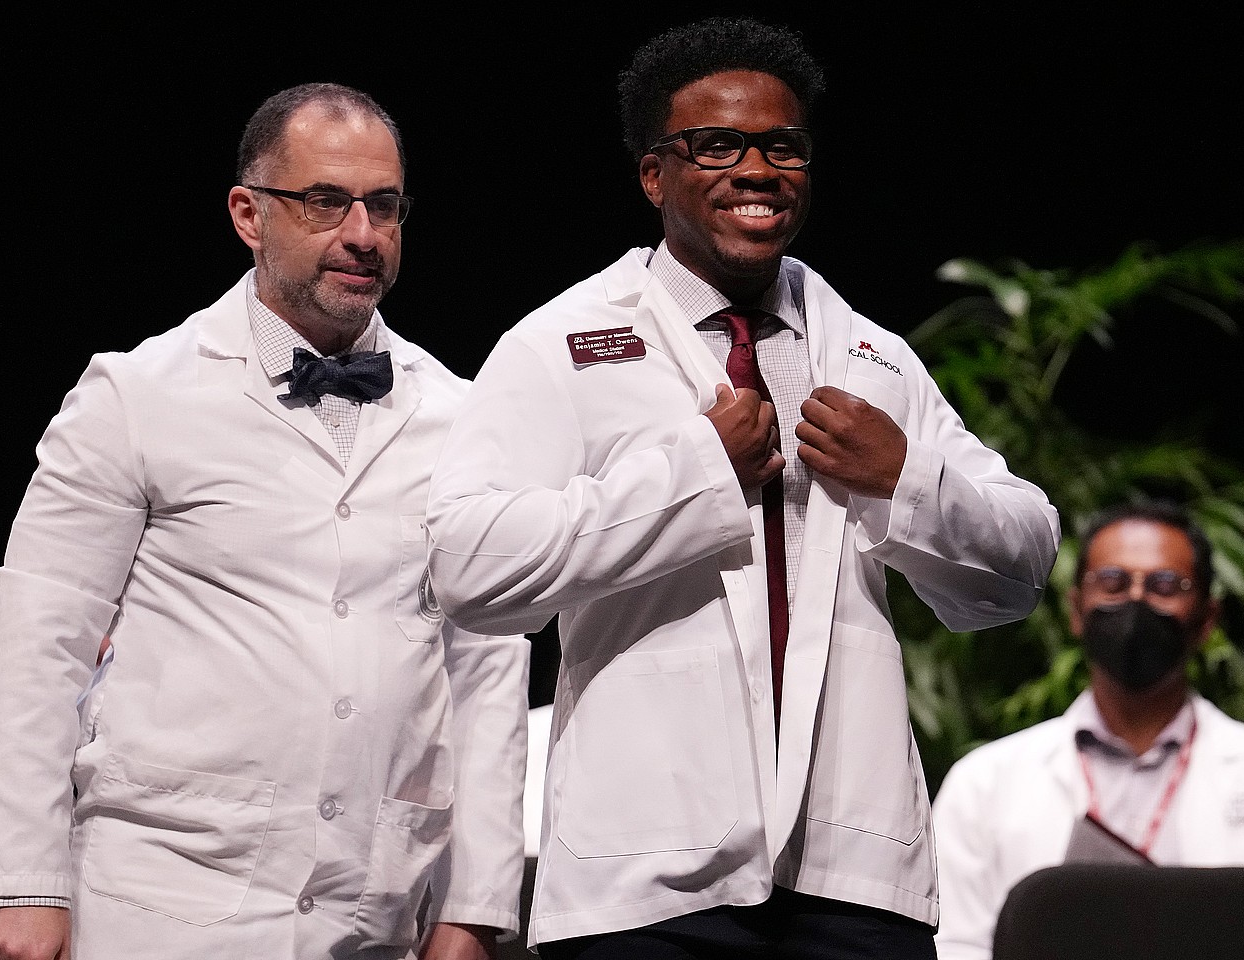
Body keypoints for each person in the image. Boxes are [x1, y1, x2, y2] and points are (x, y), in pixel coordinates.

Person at [424, 17, 1060, 960]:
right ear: (655, 175)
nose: (756, 169)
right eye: (717, 145)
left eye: (783, 146)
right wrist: (691, 477)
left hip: (854, 883)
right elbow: (467, 566)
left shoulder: (872, 355)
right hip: (643, 883)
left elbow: (1023, 562)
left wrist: (906, 479)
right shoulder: (561, 345)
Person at [0, 82, 529, 960]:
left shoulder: (466, 416)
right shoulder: (136, 394)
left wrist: (474, 909)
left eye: (384, 206)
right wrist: (25, 886)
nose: (363, 234)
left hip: (376, 909)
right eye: (326, 201)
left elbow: (488, 672)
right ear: (249, 214)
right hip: (155, 900)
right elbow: (37, 646)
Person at [929, 501, 1244, 960]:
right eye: (1113, 582)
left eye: (1166, 585)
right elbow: (952, 945)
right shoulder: (982, 784)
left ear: (1206, 619)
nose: (1136, 601)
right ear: (1077, 611)